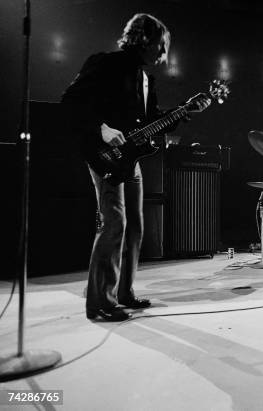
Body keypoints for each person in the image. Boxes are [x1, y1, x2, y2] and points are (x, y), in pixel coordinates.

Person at [61, 14, 207, 321]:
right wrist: (101, 128)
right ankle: (100, 302)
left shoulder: (145, 79)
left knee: (136, 227)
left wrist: (184, 111)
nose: (162, 54)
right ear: (145, 40)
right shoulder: (105, 63)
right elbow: (72, 100)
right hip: (103, 154)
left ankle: (124, 292)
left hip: (131, 159)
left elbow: (153, 122)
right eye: (160, 45)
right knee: (114, 223)